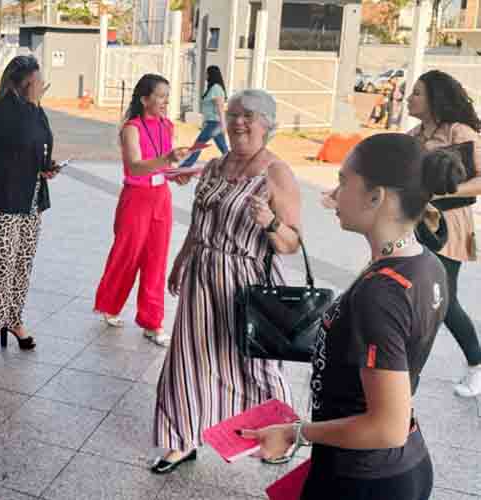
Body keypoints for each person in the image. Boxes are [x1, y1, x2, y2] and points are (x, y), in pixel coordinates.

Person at [245, 133, 461, 500]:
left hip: (364, 479)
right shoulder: (426, 263)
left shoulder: (381, 294)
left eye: (345, 182)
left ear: (376, 197)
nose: (334, 193)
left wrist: (296, 433)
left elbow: (386, 427)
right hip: (399, 463)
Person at [150, 89, 302, 473]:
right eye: (233, 114)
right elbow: (201, 222)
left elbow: (291, 243)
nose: (238, 122)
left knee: (257, 366)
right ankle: (179, 441)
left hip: (246, 280)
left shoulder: (276, 172)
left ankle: (280, 437)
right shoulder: (216, 166)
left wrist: (269, 221)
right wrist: (182, 260)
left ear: (268, 125)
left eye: (249, 115)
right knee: (188, 358)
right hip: (202, 273)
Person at [93, 73, 192, 347]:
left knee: (156, 259)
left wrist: (178, 174)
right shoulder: (131, 129)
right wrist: (166, 160)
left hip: (161, 197)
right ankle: (110, 305)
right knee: (128, 254)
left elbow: (164, 168)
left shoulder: (167, 126)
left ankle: (152, 322)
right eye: (160, 96)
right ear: (144, 99)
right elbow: (135, 166)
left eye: (167, 97)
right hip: (136, 198)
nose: (165, 102)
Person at [0, 55, 60, 361]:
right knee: (2, 265)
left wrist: (47, 167)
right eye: (38, 81)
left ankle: (13, 319)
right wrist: (34, 105)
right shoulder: (0, 111)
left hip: (31, 198)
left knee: (23, 263)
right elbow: (21, 139)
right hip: (2, 199)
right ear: (25, 83)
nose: (42, 86)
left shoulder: (35, 111)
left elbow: (41, 145)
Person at [407, 69, 481, 397]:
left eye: (417, 93)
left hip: (449, 224)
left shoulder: (458, 131)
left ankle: (477, 365)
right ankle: (403, 371)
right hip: (418, 221)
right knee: (414, 293)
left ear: (435, 99)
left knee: (443, 299)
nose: (410, 98)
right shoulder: (416, 134)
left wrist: (442, 194)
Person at [182, 65, 229, 166]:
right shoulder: (212, 88)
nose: (206, 75)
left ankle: (185, 166)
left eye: (207, 73)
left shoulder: (216, 88)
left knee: (199, 144)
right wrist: (205, 122)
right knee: (222, 147)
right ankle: (234, 164)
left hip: (214, 123)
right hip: (211, 122)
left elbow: (220, 107)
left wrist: (223, 124)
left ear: (212, 74)